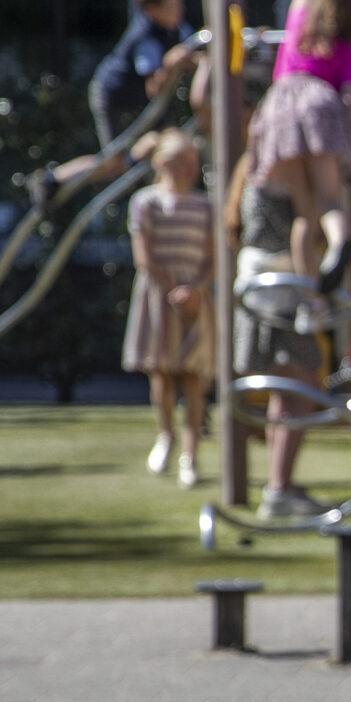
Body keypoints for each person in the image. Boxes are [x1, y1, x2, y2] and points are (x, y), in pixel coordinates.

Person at [231, 0, 351, 521]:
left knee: (301, 212)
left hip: (280, 117)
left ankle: (314, 286)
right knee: (326, 203)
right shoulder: (346, 51)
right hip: (322, 110)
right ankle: (336, 247)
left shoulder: (297, 33)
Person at [123, 131, 215, 489]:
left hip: (195, 296)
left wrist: (195, 289)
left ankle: (190, 455)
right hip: (158, 297)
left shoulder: (205, 206)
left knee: (194, 376)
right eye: (182, 162)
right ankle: (166, 436)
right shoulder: (145, 202)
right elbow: (143, 255)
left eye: (193, 161)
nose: (189, 169)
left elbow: (213, 257)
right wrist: (170, 289)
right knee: (161, 373)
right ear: (162, 163)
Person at [88, 0, 196, 151]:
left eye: (179, 4)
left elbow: (193, 50)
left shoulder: (176, 27)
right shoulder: (145, 40)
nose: (179, 10)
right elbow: (153, 88)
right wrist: (170, 64)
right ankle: (63, 174)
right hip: (115, 97)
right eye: (171, 6)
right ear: (152, 10)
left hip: (141, 102)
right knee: (116, 158)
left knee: (163, 142)